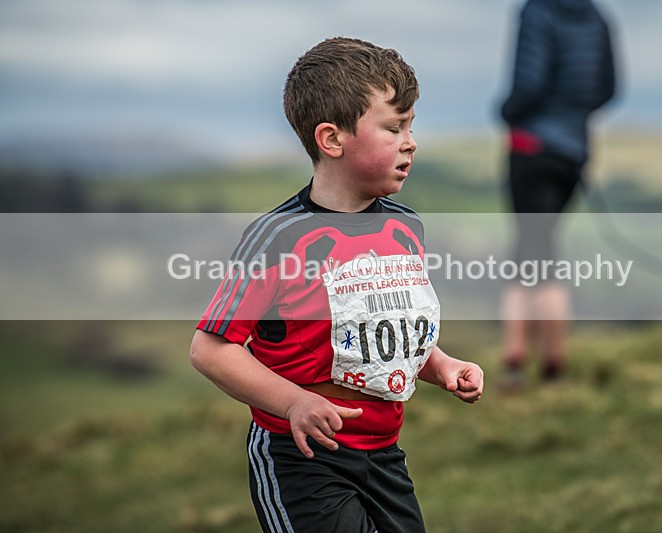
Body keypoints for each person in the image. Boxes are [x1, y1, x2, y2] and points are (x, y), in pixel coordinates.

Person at [189, 37, 483, 533]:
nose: (410, 142)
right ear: (331, 139)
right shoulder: (278, 238)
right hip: (302, 458)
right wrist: (294, 402)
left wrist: (442, 364)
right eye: (393, 128)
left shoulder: (406, 228)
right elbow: (211, 350)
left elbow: (386, 331)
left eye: (411, 127)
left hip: (385, 457)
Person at [498, 0, 616, 387]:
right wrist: (570, 117)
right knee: (541, 246)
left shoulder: (537, 11)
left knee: (533, 250)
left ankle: (531, 359)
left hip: (532, 147)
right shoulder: (597, 16)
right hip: (573, 151)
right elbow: (608, 88)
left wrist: (508, 112)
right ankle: (543, 357)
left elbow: (528, 82)